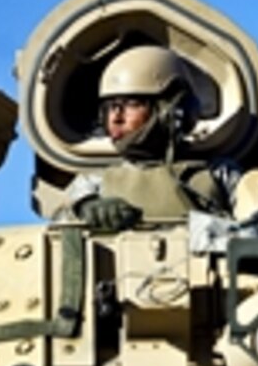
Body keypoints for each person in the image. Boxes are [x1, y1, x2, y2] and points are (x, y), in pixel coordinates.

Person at [63, 45, 240, 230]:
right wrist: (85, 208)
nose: (115, 118)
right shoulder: (93, 184)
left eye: (130, 104)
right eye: (110, 107)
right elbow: (59, 224)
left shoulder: (219, 175)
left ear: (170, 112)